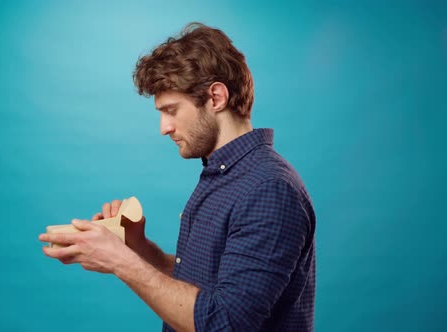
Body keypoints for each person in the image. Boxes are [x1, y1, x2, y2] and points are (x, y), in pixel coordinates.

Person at [39, 22, 316, 332]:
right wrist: (139, 249)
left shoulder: (269, 189)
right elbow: (208, 286)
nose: (164, 127)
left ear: (216, 98)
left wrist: (120, 261)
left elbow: (224, 323)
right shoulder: (224, 175)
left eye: (171, 110)